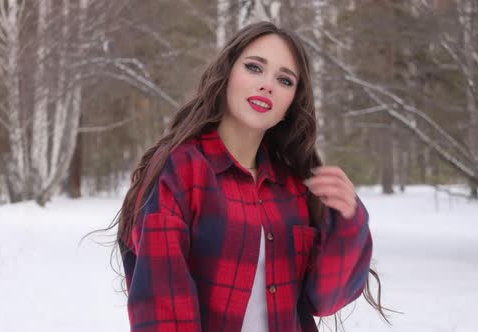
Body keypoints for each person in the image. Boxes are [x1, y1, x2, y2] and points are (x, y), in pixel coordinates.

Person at [116, 21, 387, 332]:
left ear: (291, 103)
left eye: (285, 80)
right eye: (254, 68)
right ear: (227, 74)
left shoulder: (295, 186)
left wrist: (348, 220)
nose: (267, 84)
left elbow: (325, 300)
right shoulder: (181, 170)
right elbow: (162, 306)